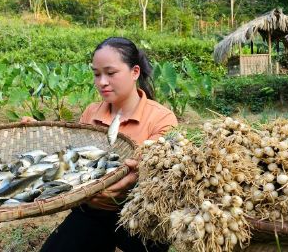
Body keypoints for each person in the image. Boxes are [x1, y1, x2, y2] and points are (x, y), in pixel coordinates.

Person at [22, 37, 178, 252]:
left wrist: (129, 180)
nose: (102, 81)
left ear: (135, 72)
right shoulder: (91, 112)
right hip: (92, 210)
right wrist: (41, 133)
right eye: (97, 74)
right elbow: (72, 156)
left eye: (110, 73)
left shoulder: (161, 118)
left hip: (140, 213)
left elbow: (163, 173)